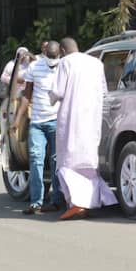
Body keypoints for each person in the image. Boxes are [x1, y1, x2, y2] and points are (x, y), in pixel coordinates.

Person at [48, 37, 117, 220]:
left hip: (72, 119)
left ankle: (76, 203)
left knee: (68, 161)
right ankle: (88, 202)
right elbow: (104, 91)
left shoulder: (65, 63)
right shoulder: (96, 62)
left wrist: (50, 96)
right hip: (92, 119)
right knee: (88, 161)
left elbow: (57, 92)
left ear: (62, 50)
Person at [22, 40, 67, 215]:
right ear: (44, 54)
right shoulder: (34, 67)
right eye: (49, 57)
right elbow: (27, 94)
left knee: (56, 160)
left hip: (57, 120)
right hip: (37, 121)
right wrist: (18, 119)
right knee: (35, 158)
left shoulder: (65, 67)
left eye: (54, 57)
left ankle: (56, 200)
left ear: (60, 54)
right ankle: (36, 202)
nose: (52, 60)